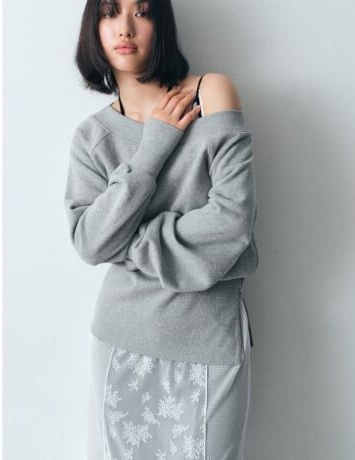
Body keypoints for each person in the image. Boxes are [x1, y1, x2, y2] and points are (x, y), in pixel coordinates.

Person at [64, 0, 259, 458]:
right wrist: (153, 147)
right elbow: (89, 242)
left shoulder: (210, 93)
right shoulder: (92, 137)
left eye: (142, 12)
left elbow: (232, 223)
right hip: (120, 337)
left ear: (161, 23)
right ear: (94, 27)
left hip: (210, 339)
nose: (125, 28)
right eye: (109, 12)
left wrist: (126, 241)